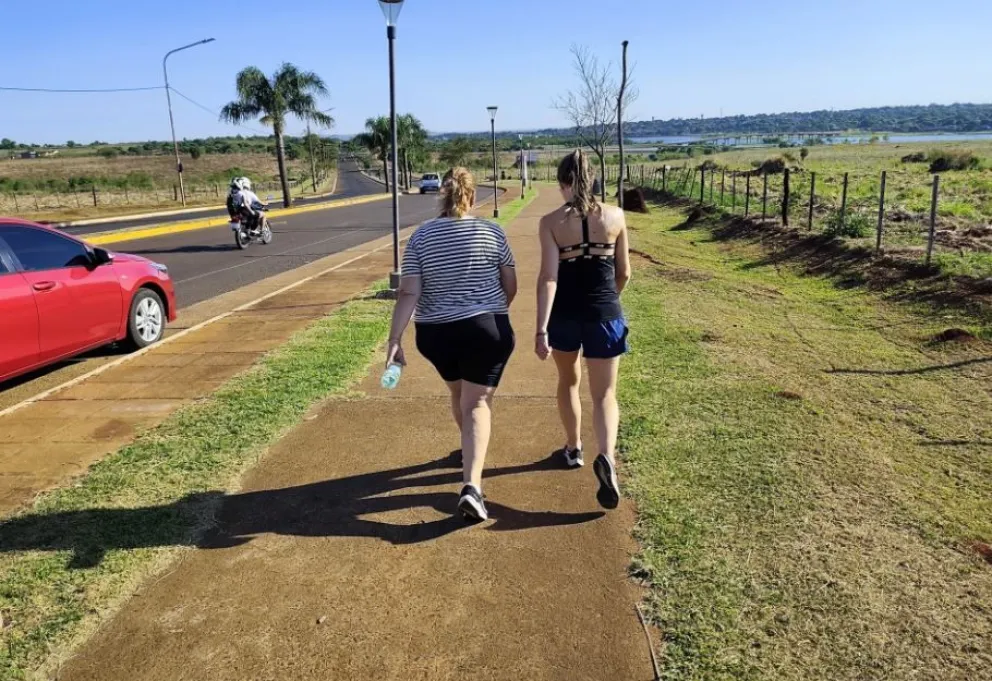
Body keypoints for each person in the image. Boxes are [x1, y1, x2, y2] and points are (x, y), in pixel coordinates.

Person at [386, 167, 517, 522]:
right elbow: (510, 283)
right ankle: (471, 486)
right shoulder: (491, 231)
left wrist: (394, 340)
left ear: (441, 197)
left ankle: (468, 448)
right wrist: (492, 313)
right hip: (486, 328)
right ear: (472, 197)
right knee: (476, 402)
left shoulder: (420, 237)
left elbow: (409, 291)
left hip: (436, 334)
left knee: (459, 393)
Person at [535, 149, 631, 510]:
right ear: (592, 180)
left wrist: (541, 329)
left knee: (569, 381)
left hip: (563, 316)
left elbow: (548, 277)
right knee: (605, 394)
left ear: (563, 183)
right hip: (605, 314)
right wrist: (607, 303)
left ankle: (573, 447)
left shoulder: (551, 223)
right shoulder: (616, 216)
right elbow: (624, 273)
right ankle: (606, 456)